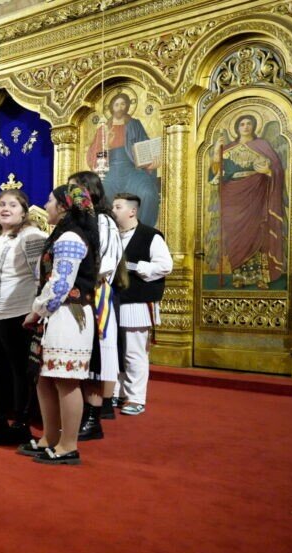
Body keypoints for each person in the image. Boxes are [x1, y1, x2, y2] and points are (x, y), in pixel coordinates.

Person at [19, 184, 101, 465]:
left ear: (64, 206)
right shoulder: (63, 234)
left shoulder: (70, 237)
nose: (45, 205)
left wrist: (37, 310)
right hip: (57, 314)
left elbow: (60, 284)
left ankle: (68, 445)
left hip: (68, 315)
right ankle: (50, 437)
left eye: (50, 201)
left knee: (65, 379)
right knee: (45, 378)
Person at [0, 189, 47, 445]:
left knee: (19, 369)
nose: (5, 209)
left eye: (13, 205)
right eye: (2, 204)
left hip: (17, 311)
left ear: (24, 212)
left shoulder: (31, 236)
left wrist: (36, 311)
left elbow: (41, 275)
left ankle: (21, 423)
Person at [69, 171, 123, 437]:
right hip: (79, 291)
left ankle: (94, 417)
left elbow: (106, 261)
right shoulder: (78, 220)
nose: (71, 194)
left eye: (76, 188)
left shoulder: (103, 220)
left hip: (95, 292)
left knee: (98, 354)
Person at [112, 193, 172, 416]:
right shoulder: (112, 235)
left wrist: (136, 266)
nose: (113, 210)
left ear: (132, 211)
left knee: (134, 351)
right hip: (114, 300)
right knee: (115, 349)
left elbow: (165, 265)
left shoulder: (150, 236)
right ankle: (116, 392)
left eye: (118, 207)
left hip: (137, 301)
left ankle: (135, 397)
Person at [210, 114, 286, 290]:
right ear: (236, 128)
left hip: (256, 194)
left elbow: (277, 170)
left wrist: (269, 171)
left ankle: (260, 277)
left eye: (249, 123)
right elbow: (215, 174)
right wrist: (215, 155)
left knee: (257, 231)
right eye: (242, 124)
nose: (245, 127)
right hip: (232, 196)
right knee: (235, 234)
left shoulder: (263, 146)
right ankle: (238, 276)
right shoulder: (227, 149)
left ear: (254, 126)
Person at [86, 93, 161, 226]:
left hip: (133, 170)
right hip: (110, 171)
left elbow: (145, 147)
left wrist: (150, 164)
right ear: (111, 108)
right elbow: (94, 158)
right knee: (98, 196)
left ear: (127, 106)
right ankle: (107, 230)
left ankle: (142, 230)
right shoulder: (103, 129)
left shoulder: (135, 125)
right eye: (116, 105)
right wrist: (106, 146)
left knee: (148, 193)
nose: (120, 108)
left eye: (123, 104)